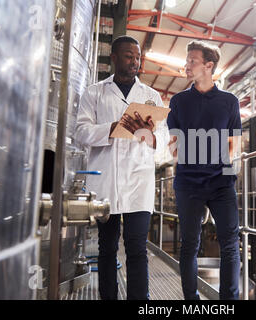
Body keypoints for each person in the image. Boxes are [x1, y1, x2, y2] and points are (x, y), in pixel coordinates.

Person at [74, 35, 168, 300]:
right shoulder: (95, 92)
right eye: (129, 56)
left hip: (139, 183)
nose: (134, 62)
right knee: (106, 248)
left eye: (137, 57)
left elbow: (163, 139)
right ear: (114, 58)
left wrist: (150, 136)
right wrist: (114, 129)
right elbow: (81, 132)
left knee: (137, 248)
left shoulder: (151, 96)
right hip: (106, 183)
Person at [167, 40, 242, 300]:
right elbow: (174, 145)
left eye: (192, 61)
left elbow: (234, 141)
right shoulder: (178, 101)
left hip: (222, 182)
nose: (186, 65)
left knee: (231, 245)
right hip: (188, 182)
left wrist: (222, 165)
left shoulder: (229, 102)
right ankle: (192, 301)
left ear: (208, 66)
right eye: (186, 61)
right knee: (189, 245)